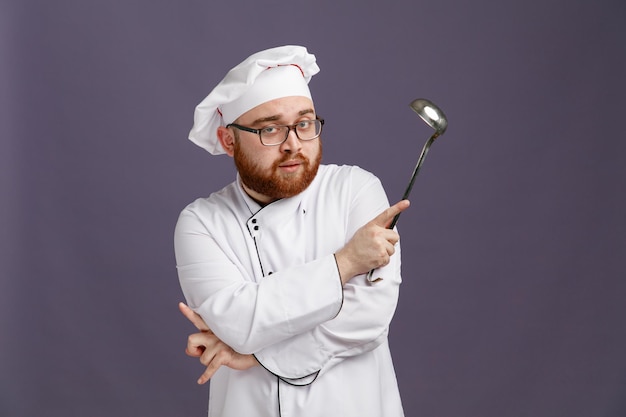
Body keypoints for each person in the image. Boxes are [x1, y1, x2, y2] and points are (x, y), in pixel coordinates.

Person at [174, 45, 409, 417]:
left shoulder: (355, 190)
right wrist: (345, 262)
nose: (293, 144)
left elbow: (369, 316)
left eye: (304, 123)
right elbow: (239, 323)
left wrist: (254, 354)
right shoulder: (202, 222)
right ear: (228, 140)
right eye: (270, 129)